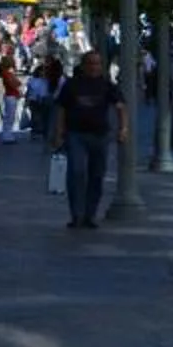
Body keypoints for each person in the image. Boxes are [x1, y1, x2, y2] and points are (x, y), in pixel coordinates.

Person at [50, 48, 126, 229]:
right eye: (90, 63)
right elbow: (61, 108)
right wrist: (59, 132)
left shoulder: (107, 85)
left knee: (97, 175)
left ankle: (90, 215)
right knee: (76, 172)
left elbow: (121, 106)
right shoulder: (72, 85)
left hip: (100, 135)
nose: (94, 67)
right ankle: (77, 214)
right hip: (76, 134)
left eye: (97, 63)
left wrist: (124, 128)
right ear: (83, 66)